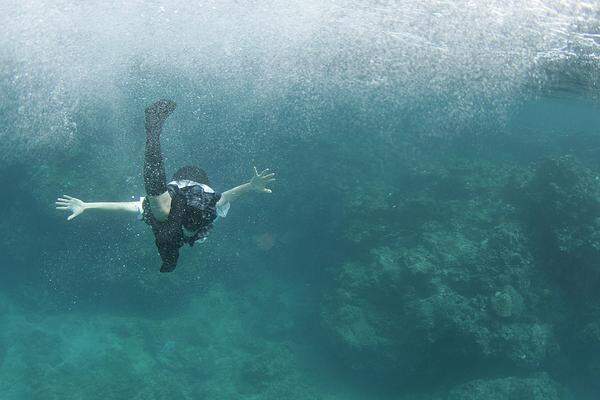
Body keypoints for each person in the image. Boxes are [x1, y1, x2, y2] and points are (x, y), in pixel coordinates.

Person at [56, 99, 275, 272]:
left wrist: (87, 205)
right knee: (166, 215)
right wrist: (250, 185)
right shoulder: (206, 208)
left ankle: (153, 131)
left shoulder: (196, 207)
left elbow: (127, 206)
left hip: (180, 196)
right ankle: (153, 131)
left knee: (162, 211)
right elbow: (227, 197)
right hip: (190, 197)